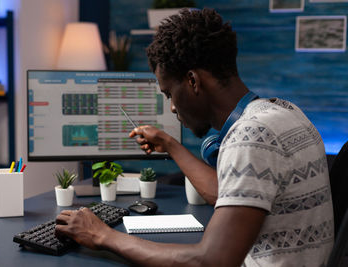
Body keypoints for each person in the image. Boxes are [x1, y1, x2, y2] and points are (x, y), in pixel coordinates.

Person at [55, 8, 333, 266]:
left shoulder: (251, 137)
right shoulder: (284, 112)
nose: (173, 107)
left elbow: (210, 260)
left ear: (193, 80)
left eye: (168, 94)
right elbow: (227, 193)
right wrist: (170, 145)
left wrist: (102, 236)